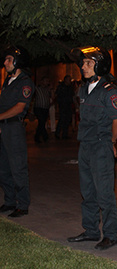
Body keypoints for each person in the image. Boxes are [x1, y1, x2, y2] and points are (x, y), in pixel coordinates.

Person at [67, 46, 117, 251]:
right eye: (83, 63)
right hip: (85, 146)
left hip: (101, 146)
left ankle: (110, 235)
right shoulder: (83, 88)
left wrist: (112, 143)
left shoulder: (110, 91)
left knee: (104, 193)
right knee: (87, 191)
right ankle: (90, 230)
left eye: (88, 63)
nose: (83, 66)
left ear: (99, 65)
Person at [0, 45, 34, 217]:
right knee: (3, 168)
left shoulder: (25, 82)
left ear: (17, 62)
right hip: (3, 127)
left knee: (17, 167)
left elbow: (20, 108)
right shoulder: (8, 81)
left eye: (8, 59)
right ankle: (9, 201)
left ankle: (23, 204)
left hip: (14, 127)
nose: (5, 62)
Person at [54, 75, 74, 139]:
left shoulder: (70, 87)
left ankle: (65, 134)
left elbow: (72, 96)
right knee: (62, 120)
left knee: (67, 120)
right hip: (62, 105)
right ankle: (57, 133)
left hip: (68, 105)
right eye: (68, 79)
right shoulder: (61, 87)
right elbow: (57, 95)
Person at [34, 76, 52, 143]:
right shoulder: (37, 88)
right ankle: (44, 136)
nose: (47, 82)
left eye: (48, 81)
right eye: (46, 81)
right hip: (39, 108)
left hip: (45, 108)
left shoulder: (47, 89)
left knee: (42, 123)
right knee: (41, 121)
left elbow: (52, 97)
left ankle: (38, 136)